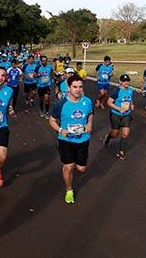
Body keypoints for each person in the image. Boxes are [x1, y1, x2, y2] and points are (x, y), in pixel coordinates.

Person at [49, 75, 93, 204]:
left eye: (80, 87)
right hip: (66, 140)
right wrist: (60, 130)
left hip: (83, 139)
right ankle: (69, 190)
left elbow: (90, 113)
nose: (78, 90)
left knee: (81, 169)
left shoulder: (87, 101)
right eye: (75, 87)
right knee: (69, 167)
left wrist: (89, 124)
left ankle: (72, 167)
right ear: (68, 87)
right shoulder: (61, 104)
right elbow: (52, 120)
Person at [103, 74, 134, 160]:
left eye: (127, 80)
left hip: (126, 115)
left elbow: (130, 98)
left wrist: (131, 104)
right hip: (116, 115)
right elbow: (109, 102)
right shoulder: (116, 91)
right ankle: (108, 137)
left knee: (125, 134)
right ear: (120, 82)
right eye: (124, 81)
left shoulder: (130, 90)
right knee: (115, 134)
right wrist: (119, 108)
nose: (126, 82)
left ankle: (121, 151)